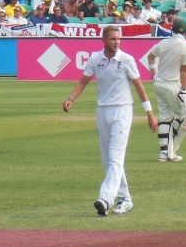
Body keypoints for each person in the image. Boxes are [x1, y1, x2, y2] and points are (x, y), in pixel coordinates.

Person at [62, 25, 158, 216]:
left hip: (122, 111)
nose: (117, 42)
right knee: (108, 161)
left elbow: (139, 87)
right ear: (104, 40)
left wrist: (149, 113)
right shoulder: (95, 59)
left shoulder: (126, 60)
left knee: (115, 158)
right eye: (113, 39)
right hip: (103, 111)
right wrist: (71, 99)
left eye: (119, 39)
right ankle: (125, 199)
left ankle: (105, 200)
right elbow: (83, 81)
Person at [146, 18, 186, 162]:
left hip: (159, 85)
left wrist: (154, 75)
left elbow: (150, 57)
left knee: (165, 117)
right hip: (172, 85)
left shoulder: (163, 43)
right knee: (185, 117)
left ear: (172, 31)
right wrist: (184, 91)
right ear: (185, 32)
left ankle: (164, 152)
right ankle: (172, 148)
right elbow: (184, 71)